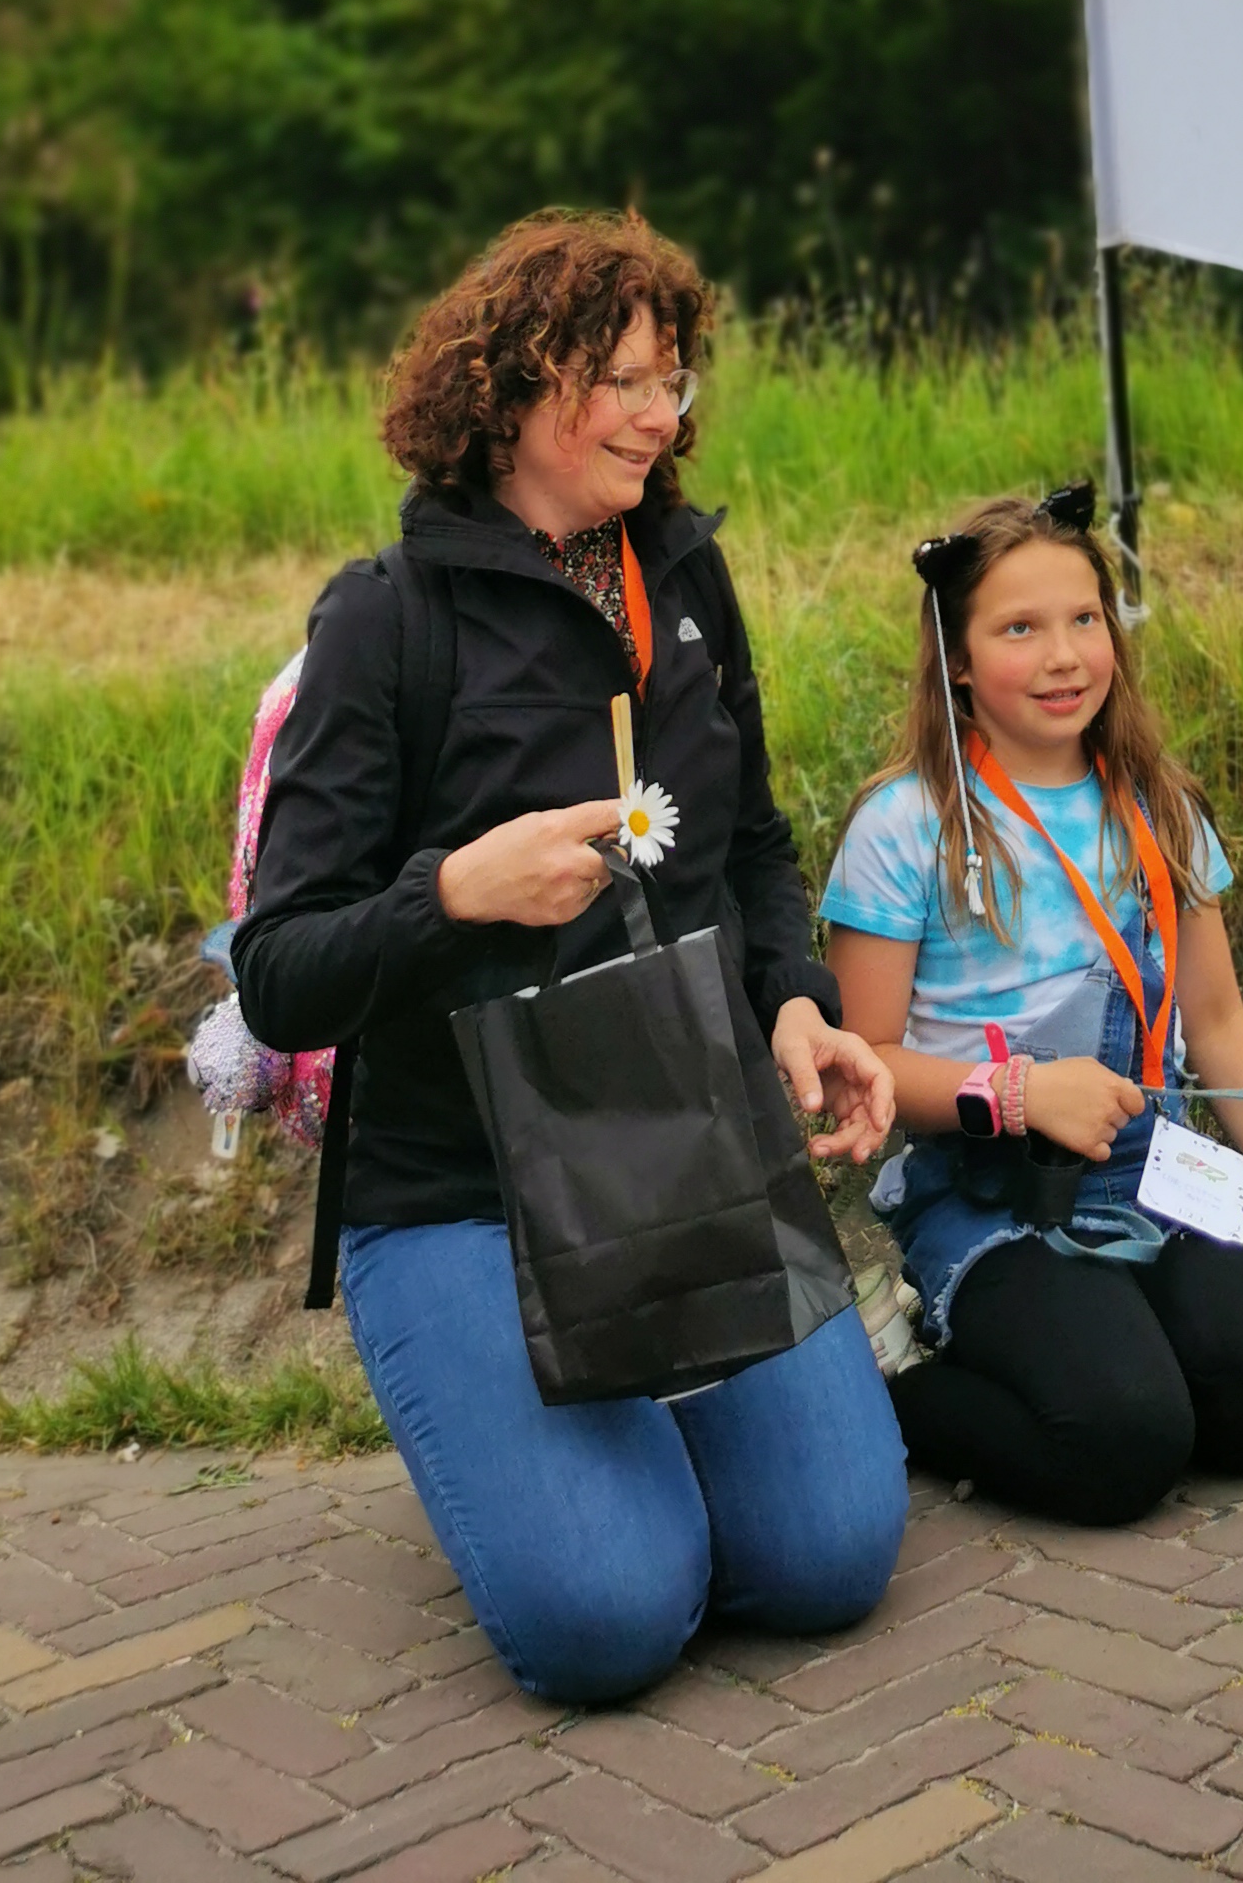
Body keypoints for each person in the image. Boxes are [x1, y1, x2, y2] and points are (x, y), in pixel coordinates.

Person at [235, 210, 906, 1703]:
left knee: (831, 1559)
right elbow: (277, 972)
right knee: (609, 1620)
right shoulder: (386, 622)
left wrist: (795, 1006)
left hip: (685, 1157)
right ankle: (564, 1456)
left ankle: (628, 1444)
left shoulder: (685, 577)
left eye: (675, 380)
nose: (664, 415)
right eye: (626, 381)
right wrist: (453, 893)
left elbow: (748, 845)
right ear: (515, 386)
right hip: (464, 1196)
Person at [822, 482, 1243, 1526]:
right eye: (1019, 629)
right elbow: (865, 1066)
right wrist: (1020, 1094)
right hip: (991, 1190)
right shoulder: (904, 827)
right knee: (1123, 1444)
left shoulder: (1158, 803)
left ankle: (1114, 1329)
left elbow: (1220, 1025)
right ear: (955, 657)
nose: (1064, 656)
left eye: (1085, 618)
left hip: (1154, 1168)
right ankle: (894, 1383)